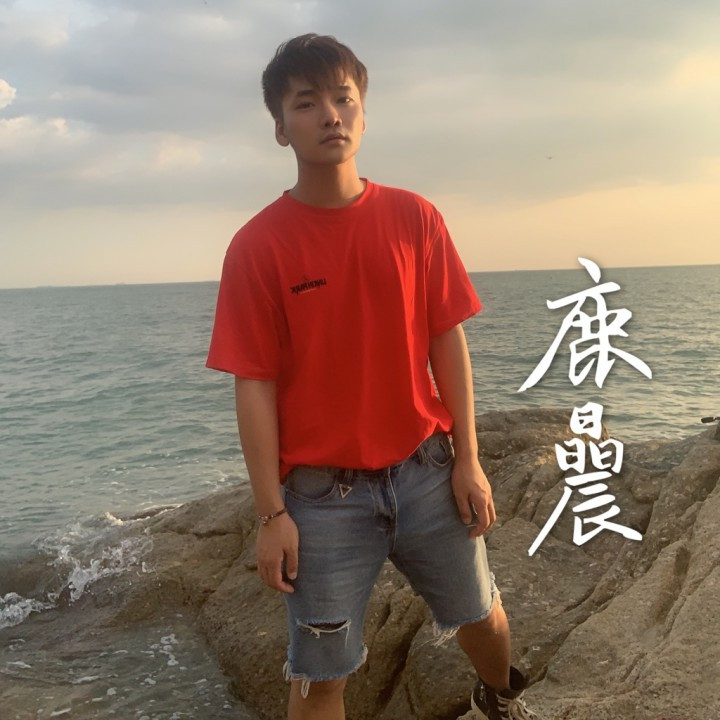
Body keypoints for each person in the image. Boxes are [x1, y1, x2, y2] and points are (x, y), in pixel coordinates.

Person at [207, 33, 538, 720]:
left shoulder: (414, 219)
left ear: (363, 112)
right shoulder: (258, 246)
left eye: (343, 98)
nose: (330, 114)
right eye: (307, 103)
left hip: (426, 472)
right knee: (319, 677)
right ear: (280, 127)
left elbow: (447, 343)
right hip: (320, 500)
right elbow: (253, 384)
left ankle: (499, 696)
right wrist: (271, 514)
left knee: (481, 616)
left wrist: (468, 460)